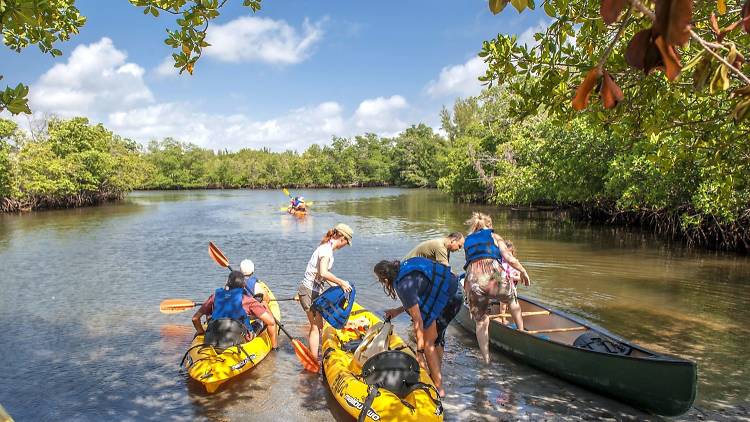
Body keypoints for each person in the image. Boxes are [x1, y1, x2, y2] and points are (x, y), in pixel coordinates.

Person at [374, 257, 461, 397]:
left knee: (427, 344)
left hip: (449, 298)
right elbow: (418, 296)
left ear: (385, 280)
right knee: (436, 339)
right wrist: (397, 311)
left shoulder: (402, 285)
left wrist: (419, 353)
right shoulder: (406, 267)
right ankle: (436, 376)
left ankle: (439, 389)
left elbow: (418, 321)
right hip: (453, 289)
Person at [385, 232, 465, 368]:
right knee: (430, 335)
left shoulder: (442, 247)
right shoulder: (441, 247)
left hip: (416, 282)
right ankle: (429, 365)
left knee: (434, 334)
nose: (459, 249)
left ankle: (433, 366)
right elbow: (447, 273)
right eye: (459, 245)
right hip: (410, 278)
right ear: (453, 240)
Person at [463, 212, 530, 364]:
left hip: (474, 279)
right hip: (494, 276)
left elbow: (471, 260)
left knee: (481, 321)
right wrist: (523, 271)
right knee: (512, 299)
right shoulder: (495, 237)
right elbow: (509, 258)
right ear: (490, 225)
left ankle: (486, 360)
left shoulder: (467, 240)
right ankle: (521, 332)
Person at [296, 223, 353, 362]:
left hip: (312, 290)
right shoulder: (326, 251)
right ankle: (314, 360)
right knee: (315, 327)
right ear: (342, 238)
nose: (345, 246)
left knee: (319, 326)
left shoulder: (326, 248)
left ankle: (314, 353)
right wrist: (341, 282)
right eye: (346, 243)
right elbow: (323, 272)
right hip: (309, 291)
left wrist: (340, 289)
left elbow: (322, 276)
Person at [192, 270, 278, 349]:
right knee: (264, 321)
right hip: (238, 338)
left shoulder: (214, 297)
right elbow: (271, 322)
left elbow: (195, 318)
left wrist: (201, 332)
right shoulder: (248, 300)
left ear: (227, 284)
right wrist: (264, 306)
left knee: (209, 315)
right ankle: (275, 348)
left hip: (213, 338)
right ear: (243, 285)